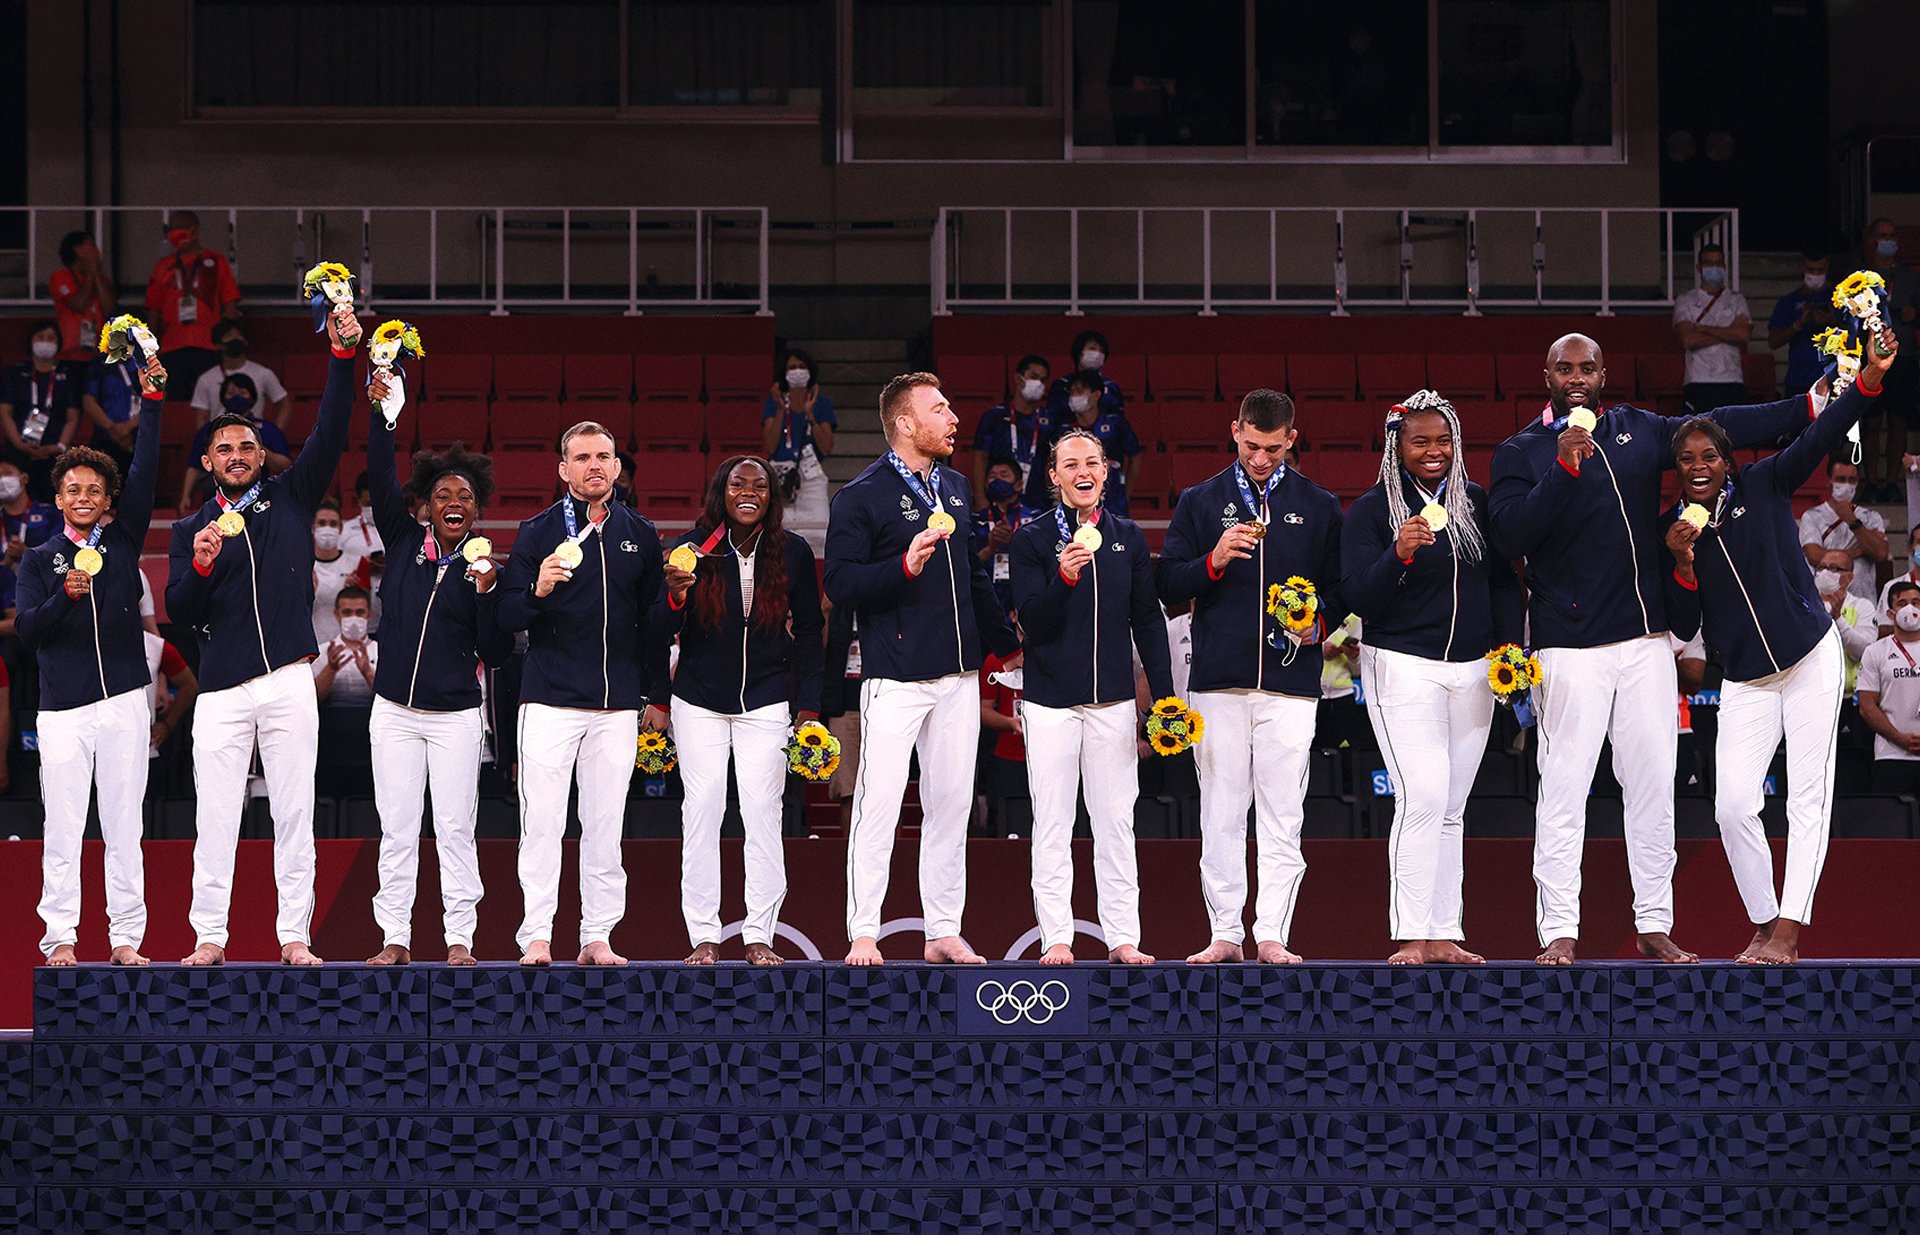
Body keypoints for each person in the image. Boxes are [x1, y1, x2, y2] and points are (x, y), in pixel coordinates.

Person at [1490, 331, 1836, 966]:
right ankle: (1560, 928)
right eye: (1563, 368)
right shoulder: (1522, 451)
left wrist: (1807, 405)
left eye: (1587, 368)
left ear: (1603, 374)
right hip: (1569, 649)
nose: (1576, 378)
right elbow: (1510, 533)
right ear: (1546, 376)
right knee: (1563, 791)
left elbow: (1720, 424)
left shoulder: (1637, 430)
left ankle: (1653, 921)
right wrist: (1564, 470)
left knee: (1653, 789)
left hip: (1647, 643)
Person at [1662, 329, 1892, 965]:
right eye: (1688, 460)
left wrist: (1866, 382)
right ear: (1677, 471)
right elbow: (1681, 624)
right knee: (1732, 806)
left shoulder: (1764, 483)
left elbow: (1820, 434)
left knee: (1806, 797)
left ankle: (1789, 929)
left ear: (1728, 461)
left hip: (1811, 658)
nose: (1700, 466)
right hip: (1745, 680)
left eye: (1711, 455)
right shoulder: (1675, 532)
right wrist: (1681, 563)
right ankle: (1764, 919)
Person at [165, 302, 360, 967]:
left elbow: (331, 432)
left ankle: (293, 936)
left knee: (294, 815)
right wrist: (200, 563)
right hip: (220, 688)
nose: (240, 454)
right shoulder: (191, 529)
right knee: (215, 817)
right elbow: (181, 610)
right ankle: (210, 937)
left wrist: (341, 358)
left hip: (287, 680)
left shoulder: (293, 496)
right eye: (226, 447)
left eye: (248, 445)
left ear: (260, 453)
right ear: (210, 460)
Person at [823, 372, 1018, 966]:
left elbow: (973, 576)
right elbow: (840, 582)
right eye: (940, 408)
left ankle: (942, 929)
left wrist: (1009, 644)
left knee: (951, 803)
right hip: (896, 677)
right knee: (878, 804)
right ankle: (863, 930)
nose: (954, 417)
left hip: (959, 677)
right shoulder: (860, 495)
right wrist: (901, 568)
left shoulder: (957, 486)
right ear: (906, 424)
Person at [1157, 390, 1344, 965]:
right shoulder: (1200, 500)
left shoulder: (1319, 504)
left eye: (1272, 447)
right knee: (1221, 808)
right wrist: (1212, 560)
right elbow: (1167, 584)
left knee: (1284, 811)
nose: (1260, 458)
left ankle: (1272, 934)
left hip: (1291, 684)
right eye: (1251, 445)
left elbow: (1341, 588)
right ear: (1234, 430)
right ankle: (1224, 932)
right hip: (1217, 680)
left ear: (1291, 439)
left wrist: (1320, 626)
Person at [1343, 390, 1523, 965]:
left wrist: (1507, 650)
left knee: (1451, 805)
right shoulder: (1372, 510)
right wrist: (1397, 553)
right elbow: (1356, 597)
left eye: (1442, 440)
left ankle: (1444, 931)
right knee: (1420, 796)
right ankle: (1410, 932)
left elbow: (1500, 582)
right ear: (1397, 446)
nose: (1433, 451)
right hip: (1403, 665)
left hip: (1472, 670)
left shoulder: (1473, 499)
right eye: (1419, 441)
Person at [498, 420, 670, 967]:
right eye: (582, 457)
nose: (594, 465)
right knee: (542, 824)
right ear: (563, 469)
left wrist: (657, 696)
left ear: (617, 467)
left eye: (604, 456)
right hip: (548, 700)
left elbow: (653, 626)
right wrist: (537, 589)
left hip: (615, 704)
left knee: (604, 827)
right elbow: (506, 615)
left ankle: (597, 935)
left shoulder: (639, 534)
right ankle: (538, 936)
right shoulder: (536, 530)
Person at [18, 353, 165, 967]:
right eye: (73, 489)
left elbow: (149, 467)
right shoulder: (38, 557)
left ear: (108, 502)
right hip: (63, 712)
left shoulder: (123, 538)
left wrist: (152, 403)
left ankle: (125, 939)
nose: (83, 497)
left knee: (123, 826)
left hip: (126, 699)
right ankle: (61, 940)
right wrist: (63, 596)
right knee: (64, 829)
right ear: (58, 498)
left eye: (94, 490)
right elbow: (27, 630)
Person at [1010, 428, 1172, 965]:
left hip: (1114, 704)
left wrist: (1165, 699)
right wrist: (1064, 577)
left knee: (1115, 825)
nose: (1083, 472)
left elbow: (1147, 620)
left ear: (1106, 472)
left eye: (1093, 463)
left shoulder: (1126, 537)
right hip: (1051, 703)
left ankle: (1123, 937)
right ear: (1054, 477)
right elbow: (1033, 622)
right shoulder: (1032, 539)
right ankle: (1057, 936)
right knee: (1052, 823)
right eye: (1071, 464)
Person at [658, 455, 824, 967]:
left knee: (762, 816)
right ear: (720, 493)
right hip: (698, 700)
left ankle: (759, 934)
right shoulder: (691, 550)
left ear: (773, 496)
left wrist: (809, 708)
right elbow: (656, 629)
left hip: (768, 701)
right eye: (737, 484)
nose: (748, 492)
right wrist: (673, 598)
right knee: (702, 812)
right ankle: (704, 935)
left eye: (759, 485)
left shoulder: (792, 552)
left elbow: (813, 632)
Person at [363, 400, 511, 967]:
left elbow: (497, 652)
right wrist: (385, 417)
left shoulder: (489, 568)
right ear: (425, 506)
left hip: (454, 716)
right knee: (397, 830)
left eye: (466, 497)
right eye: (444, 495)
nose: (454, 502)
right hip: (395, 711)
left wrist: (489, 592)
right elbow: (379, 473)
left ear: (478, 512)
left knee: (455, 830)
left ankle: (459, 940)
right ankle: (394, 938)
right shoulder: (403, 543)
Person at [1849, 219, 1920, 496]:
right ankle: (1870, 481)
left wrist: (1915, 315)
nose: (1888, 240)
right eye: (1882, 235)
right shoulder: (1859, 277)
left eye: (1892, 235)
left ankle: (1892, 481)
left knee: (1899, 420)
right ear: (1871, 239)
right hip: (1871, 355)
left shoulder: (1909, 277)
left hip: (1903, 355)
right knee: (1872, 421)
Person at [143, 209, 241, 392]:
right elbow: (154, 310)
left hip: (209, 345)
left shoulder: (216, 262)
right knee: (176, 402)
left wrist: (227, 341)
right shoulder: (163, 267)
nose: (175, 233)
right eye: (171, 229)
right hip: (172, 346)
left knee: (211, 398)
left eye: (180, 227)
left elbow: (230, 305)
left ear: (195, 230)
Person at [1035, 370, 1141, 516]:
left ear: (1096, 395)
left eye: (1079, 391)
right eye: (1071, 392)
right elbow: (1050, 464)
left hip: (1113, 501)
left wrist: (1126, 493)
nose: (1074, 396)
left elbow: (1135, 456)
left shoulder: (1116, 424)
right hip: (1075, 502)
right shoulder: (1063, 430)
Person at [762, 348, 836, 553]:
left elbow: (827, 447)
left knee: (818, 533)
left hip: (810, 476)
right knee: (780, 535)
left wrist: (810, 414)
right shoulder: (773, 403)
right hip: (780, 476)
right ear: (784, 373)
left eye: (802, 367)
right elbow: (769, 445)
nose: (797, 371)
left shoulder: (821, 404)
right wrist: (779, 409)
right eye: (792, 367)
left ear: (810, 371)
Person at [0, 319, 82, 500]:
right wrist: (19, 444)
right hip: (18, 451)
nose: (45, 341)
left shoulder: (68, 375)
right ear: (31, 341)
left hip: (55, 453)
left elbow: (73, 417)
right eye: (40, 337)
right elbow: (5, 412)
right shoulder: (15, 373)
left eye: (51, 338)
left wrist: (59, 446)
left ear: (59, 343)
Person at [1672, 243, 1753, 416]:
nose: (1714, 268)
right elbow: (1688, 340)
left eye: (1718, 263)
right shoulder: (1685, 300)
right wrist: (1729, 332)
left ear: (1724, 267)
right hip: (1698, 381)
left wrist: (1704, 329)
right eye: (1709, 263)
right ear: (1699, 267)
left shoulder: (1737, 300)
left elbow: (1744, 335)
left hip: (1732, 381)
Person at [1857, 580, 1920, 795]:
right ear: (1891, 613)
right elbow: (1867, 706)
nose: (1910, 609)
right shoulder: (1875, 652)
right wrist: (1898, 738)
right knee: (1891, 825)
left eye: (1916, 602)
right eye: (1902, 603)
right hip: (1891, 755)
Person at [1798, 455, 1886, 603]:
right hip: (1824, 600)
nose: (1846, 484)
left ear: (1857, 482)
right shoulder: (1812, 516)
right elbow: (1814, 556)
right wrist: (1860, 550)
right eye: (1840, 479)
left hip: (1862, 601)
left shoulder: (1871, 517)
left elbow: (1881, 554)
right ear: (1829, 482)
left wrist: (1852, 521)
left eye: (1851, 480)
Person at [178, 398, 292, 512]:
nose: (236, 457)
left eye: (246, 448)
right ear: (207, 462)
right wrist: (186, 496)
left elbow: (286, 465)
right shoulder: (190, 527)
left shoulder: (268, 429)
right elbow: (194, 467)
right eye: (225, 450)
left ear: (261, 457)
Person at [971, 355, 1054, 504]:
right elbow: (980, 458)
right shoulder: (995, 417)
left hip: (1038, 501)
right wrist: (980, 499)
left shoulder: (1049, 421)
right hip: (998, 500)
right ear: (1018, 378)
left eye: (1043, 380)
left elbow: (1052, 462)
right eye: (1034, 377)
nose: (1038, 383)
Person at [190, 321, 290, 428]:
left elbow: (285, 405)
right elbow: (202, 416)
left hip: (253, 436)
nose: (236, 339)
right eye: (229, 336)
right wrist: (207, 440)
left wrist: (274, 434)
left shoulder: (263, 373)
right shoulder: (206, 379)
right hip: (220, 436)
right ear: (218, 345)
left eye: (239, 335)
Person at [1767, 251, 1835, 397]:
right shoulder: (1789, 301)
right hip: (1798, 382)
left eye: (1820, 270)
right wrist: (1798, 324)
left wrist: (1832, 321)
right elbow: (1773, 341)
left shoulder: (1838, 299)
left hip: (1833, 380)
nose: (1816, 274)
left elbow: (1858, 336)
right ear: (1803, 268)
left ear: (1827, 269)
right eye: (1811, 270)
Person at [971, 455, 1031, 621]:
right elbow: (964, 567)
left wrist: (1015, 543)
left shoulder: (1036, 519)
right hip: (985, 600)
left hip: (1024, 599)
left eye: (1004, 475)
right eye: (992, 476)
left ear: (1019, 484)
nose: (997, 479)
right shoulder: (974, 521)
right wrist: (990, 549)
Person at [48, 230, 117, 362]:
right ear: (77, 250)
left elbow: (109, 309)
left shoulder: (102, 280)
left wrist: (96, 274)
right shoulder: (60, 276)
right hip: (69, 353)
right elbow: (79, 304)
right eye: (90, 246)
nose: (95, 251)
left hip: (98, 353)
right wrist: (91, 272)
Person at [309, 500, 372, 644]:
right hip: (312, 641)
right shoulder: (302, 566)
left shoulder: (357, 563)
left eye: (332, 524)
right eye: (322, 523)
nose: (327, 529)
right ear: (313, 527)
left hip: (347, 644)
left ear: (341, 528)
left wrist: (356, 591)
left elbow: (365, 610)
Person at [313, 586, 378, 706]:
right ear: (337, 614)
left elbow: (392, 700)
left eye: (360, 612)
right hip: (331, 721)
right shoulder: (322, 652)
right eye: (347, 612)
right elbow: (313, 700)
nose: (354, 618)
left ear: (369, 615)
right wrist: (330, 670)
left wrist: (367, 671)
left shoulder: (381, 652)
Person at [1047, 330, 1124, 417]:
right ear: (1079, 352)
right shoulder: (1061, 384)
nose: (1097, 354)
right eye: (1092, 348)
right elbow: (1052, 416)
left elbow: (1118, 420)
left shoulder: (1111, 387)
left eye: (1101, 351)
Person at [0, 461, 58, 567]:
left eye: (8, 473)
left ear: (24, 478)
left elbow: (62, 553)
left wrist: (26, 553)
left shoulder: (49, 513)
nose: (2, 480)